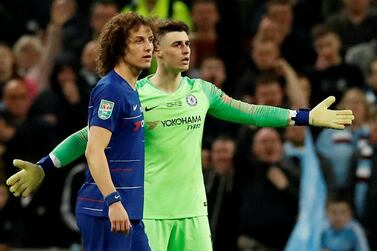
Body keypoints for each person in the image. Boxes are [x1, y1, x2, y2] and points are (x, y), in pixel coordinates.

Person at [7, 19, 354, 251]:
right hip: (149, 214)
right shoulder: (132, 94)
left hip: (193, 212)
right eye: (177, 44)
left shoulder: (201, 92)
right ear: (157, 51)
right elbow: (85, 139)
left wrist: (306, 116)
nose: (187, 50)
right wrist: (44, 166)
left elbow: (252, 111)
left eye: (188, 43)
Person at [9, 13, 154, 251]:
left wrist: (45, 165)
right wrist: (113, 201)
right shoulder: (111, 91)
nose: (148, 46)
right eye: (138, 40)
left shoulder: (130, 89)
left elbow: (84, 135)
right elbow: (94, 150)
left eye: (150, 40)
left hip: (128, 211)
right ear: (118, 47)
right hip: (106, 210)